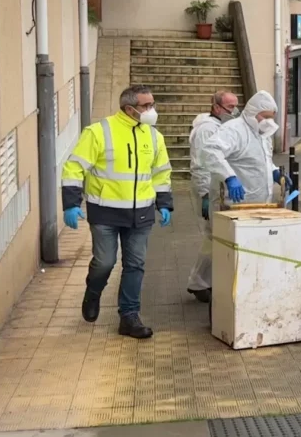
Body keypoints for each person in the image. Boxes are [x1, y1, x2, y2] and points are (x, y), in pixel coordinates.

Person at [61, 85, 173, 339]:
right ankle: (93, 291)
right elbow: (74, 168)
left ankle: (129, 316)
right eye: (147, 106)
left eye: (152, 104)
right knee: (105, 262)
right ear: (129, 108)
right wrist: (71, 203)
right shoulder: (99, 132)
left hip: (141, 214)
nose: (152, 110)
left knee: (135, 264)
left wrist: (164, 203)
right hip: (105, 212)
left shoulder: (154, 136)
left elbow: (161, 173)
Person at [185, 90, 239, 303]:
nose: (234, 111)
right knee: (214, 237)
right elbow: (200, 164)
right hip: (211, 190)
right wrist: (204, 194)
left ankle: (201, 281)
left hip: (218, 189)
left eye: (236, 106)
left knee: (215, 237)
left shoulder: (220, 126)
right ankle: (198, 282)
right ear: (216, 107)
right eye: (230, 107)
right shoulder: (206, 130)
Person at [200, 90, 283, 212]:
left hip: (260, 205)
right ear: (252, 113)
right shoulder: (233, 130)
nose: (268, 122)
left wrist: (274, 171)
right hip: (233, 205)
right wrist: (229, 177)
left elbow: (261, 159)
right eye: (265, 117)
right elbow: (210, 151)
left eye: (271, 117)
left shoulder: (262, 134)